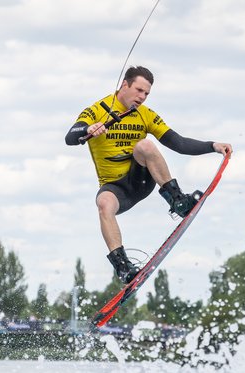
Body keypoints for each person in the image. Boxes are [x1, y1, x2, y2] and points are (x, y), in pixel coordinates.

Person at [65, 65, 232, 283]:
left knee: (145, 146)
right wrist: (88, 129)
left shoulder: (145, 115)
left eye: (146, 93)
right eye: (139, 90)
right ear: (124, 84)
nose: (142, 97)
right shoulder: (97, 110)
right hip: (116, 189)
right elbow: (70, 136)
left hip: (140, 179)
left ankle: (178, 201)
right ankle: (123, 267)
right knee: (104, 203)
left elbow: (178, 143)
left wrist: (213, 145)